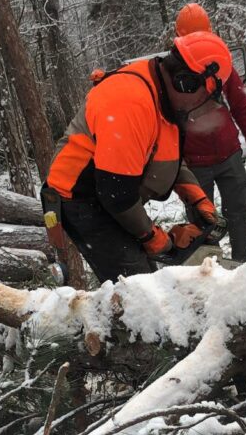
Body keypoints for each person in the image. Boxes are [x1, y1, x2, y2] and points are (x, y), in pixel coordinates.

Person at [42, 32, 232, 284]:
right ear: (187, 82)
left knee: (146, 278)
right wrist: (155, 239)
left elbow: (169, 155)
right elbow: (116, 194)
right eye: (204, 98)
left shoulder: (164, 96)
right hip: (80, 196)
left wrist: (196, 197)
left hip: (111, 191)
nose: (202, 107)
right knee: (136, 283)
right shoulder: (132, 101)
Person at [175, 3, 246, 262]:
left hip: (229, 154)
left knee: (239, 213)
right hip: (194, 162)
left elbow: (240, 105)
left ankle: (243, 267)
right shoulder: (173, 71)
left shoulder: (220, 62)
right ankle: (209, 272)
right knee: (202, 225)